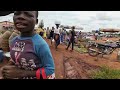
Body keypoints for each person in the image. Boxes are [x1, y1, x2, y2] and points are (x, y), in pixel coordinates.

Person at [1, 11, 55, 79]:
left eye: (28, 14)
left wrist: (22, 73)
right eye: (17, 13)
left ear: (36, 21)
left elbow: (50, 70)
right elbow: (16, 58)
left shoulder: (40, 44)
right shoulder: (14, 41)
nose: (20, 17)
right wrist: (8, 68)